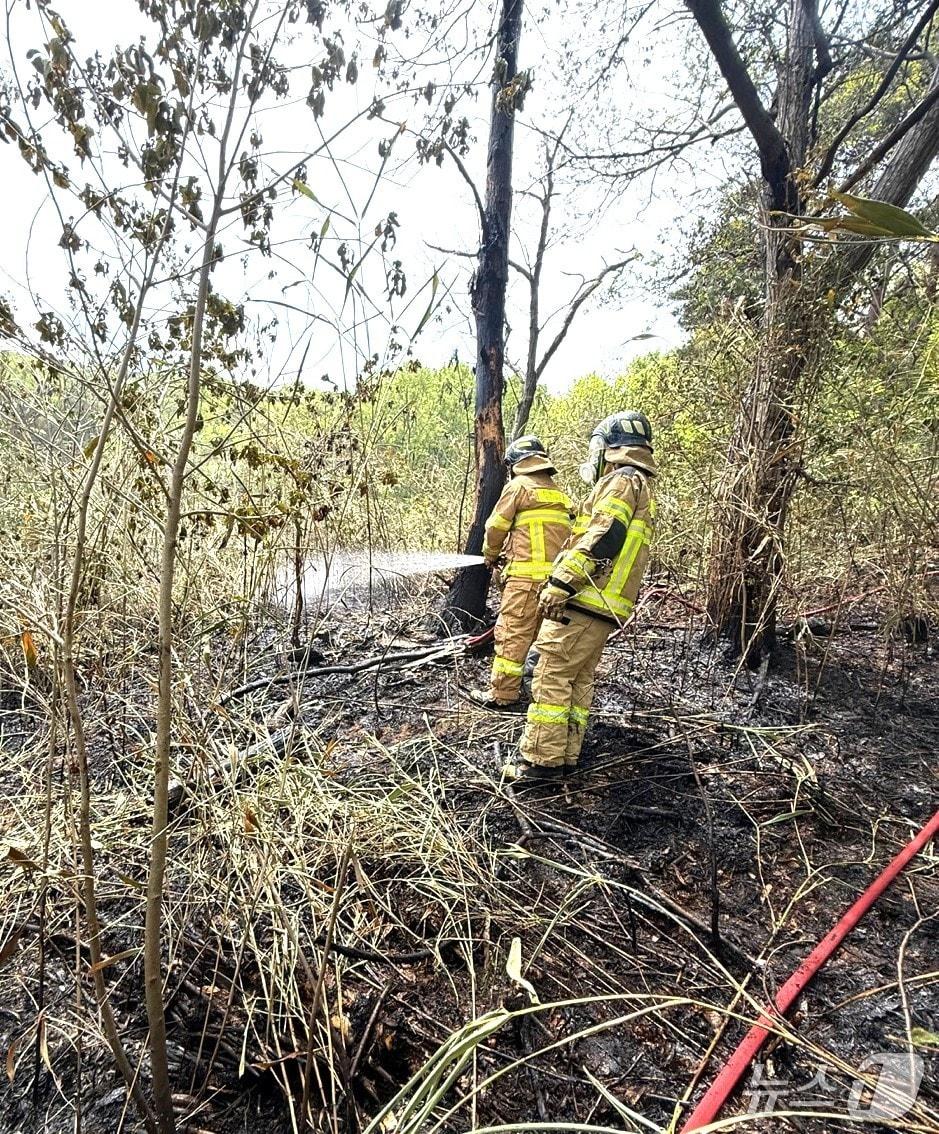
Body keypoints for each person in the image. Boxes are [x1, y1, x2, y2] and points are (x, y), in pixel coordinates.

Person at [511, 410, 657, 786]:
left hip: (587, 597)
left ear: (609, 449)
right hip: (604, 605)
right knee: (577, 678)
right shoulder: (640, 484)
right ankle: (565, 756)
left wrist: (562, 582)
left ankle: (540, 763)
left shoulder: (622, 481)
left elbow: (604, 536)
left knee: (549, 672)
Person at [468, 436, 573, 710]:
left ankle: (502, 695)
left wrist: (490, 555)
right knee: (542, 637)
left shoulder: (518, 487)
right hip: (556, 586)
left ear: (515, 464)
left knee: (512, 634)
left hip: (524, 581)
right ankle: (534, 690)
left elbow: (495, 526)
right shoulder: (561, 495)